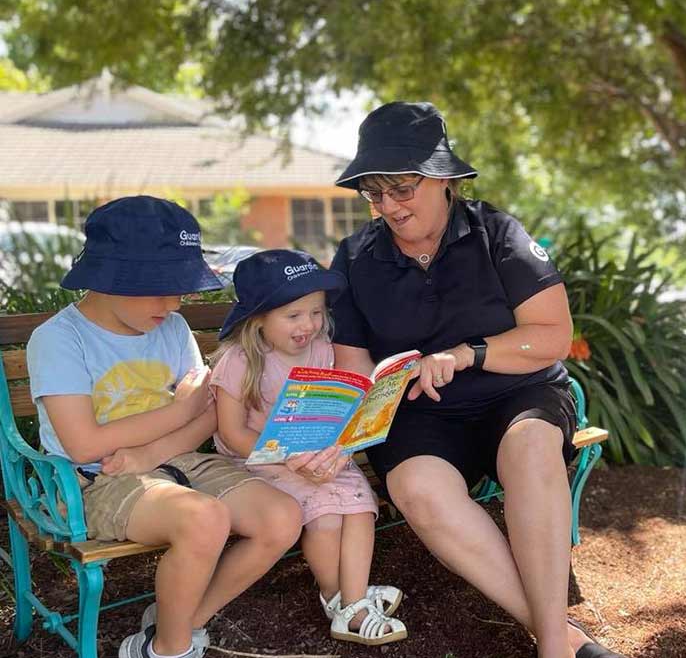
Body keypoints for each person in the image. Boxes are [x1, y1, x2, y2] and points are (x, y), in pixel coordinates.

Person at [329, 101, 626, 658]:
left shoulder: (498, 233)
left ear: (442, 178)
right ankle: (558, 638)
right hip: (418, 414)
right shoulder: (353, 257)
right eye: (374, 193)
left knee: (533, 445)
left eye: (401, 188)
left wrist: (468, 353)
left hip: (517, 395)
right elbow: (352, 367)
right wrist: (352, 410)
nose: (388, 206)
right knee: (415, 487)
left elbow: (553, 336)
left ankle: (552, 647)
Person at [26, 196, 303, 658]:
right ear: (110, 277)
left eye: (181, 288)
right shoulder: (58, 339)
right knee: (204, 519)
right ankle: (170, 649)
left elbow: (209, 412)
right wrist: (178, 411)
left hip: (176, 460)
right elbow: (82, 443)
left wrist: (156, 450)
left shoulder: (171, 328)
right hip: (93, 480)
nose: (174, 302)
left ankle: (177, 622)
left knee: (282, 518)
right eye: (161, 287)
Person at [208, 249, 407, 646]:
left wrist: (340, 445)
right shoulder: (239, 360)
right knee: (327, 516)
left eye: (316, 312)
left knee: (359, 506)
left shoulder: (322, 348)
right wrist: (290, 456)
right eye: (294, 315)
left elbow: (331, 406)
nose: (309, 325)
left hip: (315, 450)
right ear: (259, 317)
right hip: (261, 460)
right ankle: (349, 605)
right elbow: (231, 434)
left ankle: (347, 601)